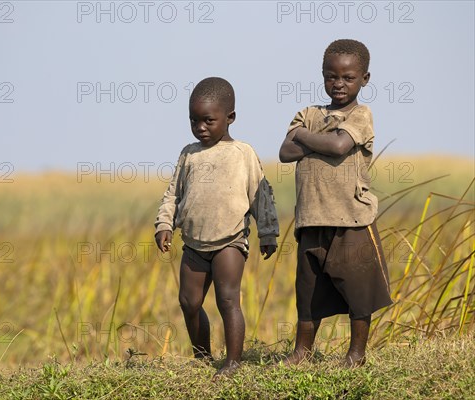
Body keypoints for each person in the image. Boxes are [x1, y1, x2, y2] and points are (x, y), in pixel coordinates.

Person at [155, 77, 279, 378]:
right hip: (195, 243)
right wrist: (164, 223)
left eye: (208, 120)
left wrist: (267, 231)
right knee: (188, 301)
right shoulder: (189, 154)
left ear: (230, 118)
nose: (201, 127)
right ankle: (202, 356)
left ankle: (233, 361)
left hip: (230, 241)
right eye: (194, 120)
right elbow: (173, 193)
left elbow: (261, 194)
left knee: (227, 299)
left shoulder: (243, 154)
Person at [279, 39, 393, 367]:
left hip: (351, 218)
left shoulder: (361, 114)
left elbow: (340, 146)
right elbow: (286, 153)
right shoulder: (308, 112)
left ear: (364, 79)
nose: (338, 84)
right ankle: (302, 351)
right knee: (308, 291)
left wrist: (303, 137)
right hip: (312, 217)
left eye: (348, 77)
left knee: (359, 289)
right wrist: (320, 141)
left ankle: (356, 354)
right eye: (331, 76)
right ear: (323, 75)